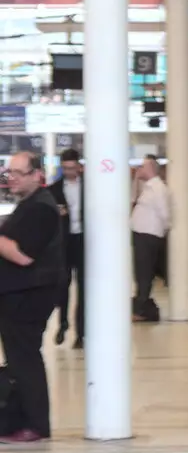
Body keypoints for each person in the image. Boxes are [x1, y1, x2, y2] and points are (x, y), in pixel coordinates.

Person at [0, 151, 65, 443]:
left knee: (25, 360)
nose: (10, 178)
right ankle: (19, 419)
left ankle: (36, 425)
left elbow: (23, 256)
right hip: (17, 294)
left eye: (17, 172)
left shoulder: (41, 208)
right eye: (8, 172)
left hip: (29, 296)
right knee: (18, 359)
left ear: (37, 175)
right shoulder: (29, 205)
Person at [47, 148, 85, 349]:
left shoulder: (90, 187)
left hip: (83, 241)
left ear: (79, 166)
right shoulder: (54, 190)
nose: (69, 172)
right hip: (64, 243)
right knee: (62, 285)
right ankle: (62, 324)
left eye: (72, 168)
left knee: (83, 289)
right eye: (65, 168)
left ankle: (81, 332)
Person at [130, 155, 170, 322]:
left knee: (144, 273)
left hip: (149, 237)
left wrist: (163, 229)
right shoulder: (147, 187)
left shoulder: (158, 188)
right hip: (141, 236)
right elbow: (132, 199)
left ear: (151, 168)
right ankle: (140, 305)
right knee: (140, 274)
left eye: (143, 166)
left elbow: (165, 213)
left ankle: (141, 309)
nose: (140, 169)